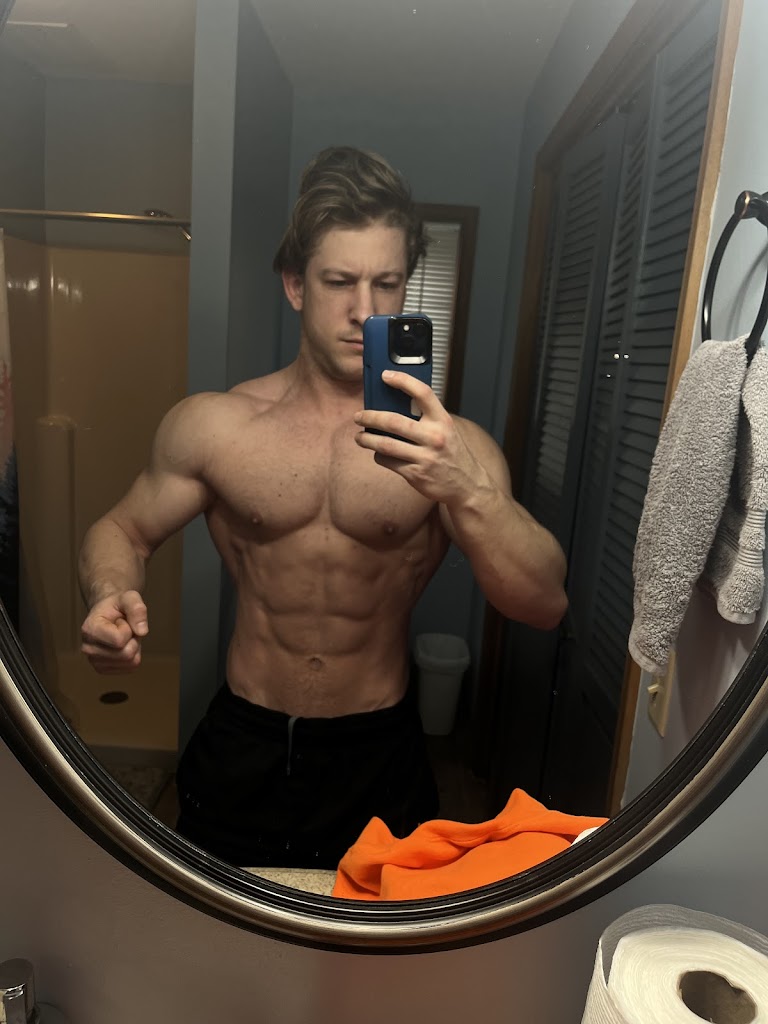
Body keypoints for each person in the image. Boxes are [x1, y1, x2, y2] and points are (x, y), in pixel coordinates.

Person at [78, 146, 567, 869]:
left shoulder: (453, 448)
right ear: (295, 285)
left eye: (386, 283)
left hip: (379, 751)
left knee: (370, 943)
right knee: (211, 932)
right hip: (244, 741)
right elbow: (121, 529)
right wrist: (108, 594)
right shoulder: (217, 426)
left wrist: (466, 488)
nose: (364, 310)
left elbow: (543, 603)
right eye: (339, 281)